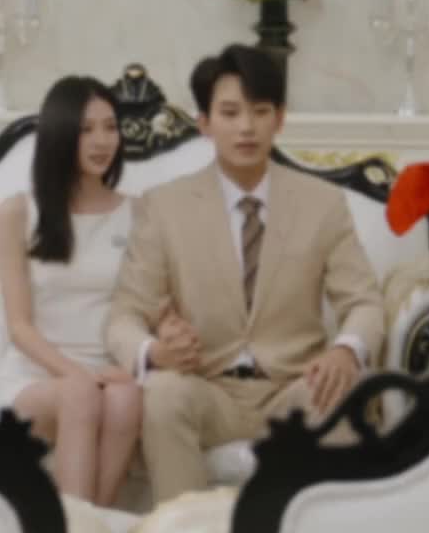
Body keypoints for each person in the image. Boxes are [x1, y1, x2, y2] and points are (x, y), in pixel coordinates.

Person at [106, 44, 385, 503]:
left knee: (340, 390)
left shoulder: (323, 203)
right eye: (230, 113)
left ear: (280, 119)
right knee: (163, 395)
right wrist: (155, 351)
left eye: (260, 111)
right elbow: (124, 315)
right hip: (207, 387)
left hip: (295, 386)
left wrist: (345, 350)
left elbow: (364, 302)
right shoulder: (165, 206)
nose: (246, 127)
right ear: (205, 123)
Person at [0, 75, 142, 505]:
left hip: (107, 375)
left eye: (110, 127)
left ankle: (89, 526)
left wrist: (132, 368)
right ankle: (76, 532)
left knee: (127, 399)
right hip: (33, 379)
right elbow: (19, 326)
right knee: (79, 394)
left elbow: (148, 309)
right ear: (60, 134)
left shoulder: (138, 213)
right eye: (86, 129)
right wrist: (79, 375)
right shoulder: (19, 211)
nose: (102, 141)